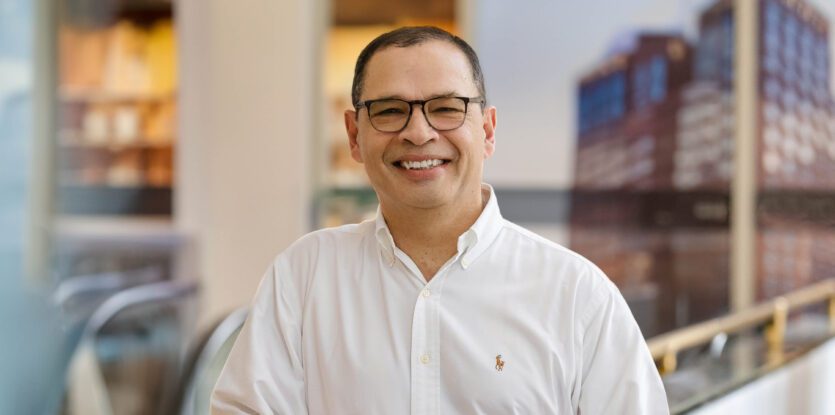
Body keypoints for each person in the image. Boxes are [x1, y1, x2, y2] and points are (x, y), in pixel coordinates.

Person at [211, 26, 669, 414]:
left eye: (447, 107)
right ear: (354, 135)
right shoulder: (304, 277)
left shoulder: (578, 296)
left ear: (487, 130)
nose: (418, 132)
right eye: (390, 110)